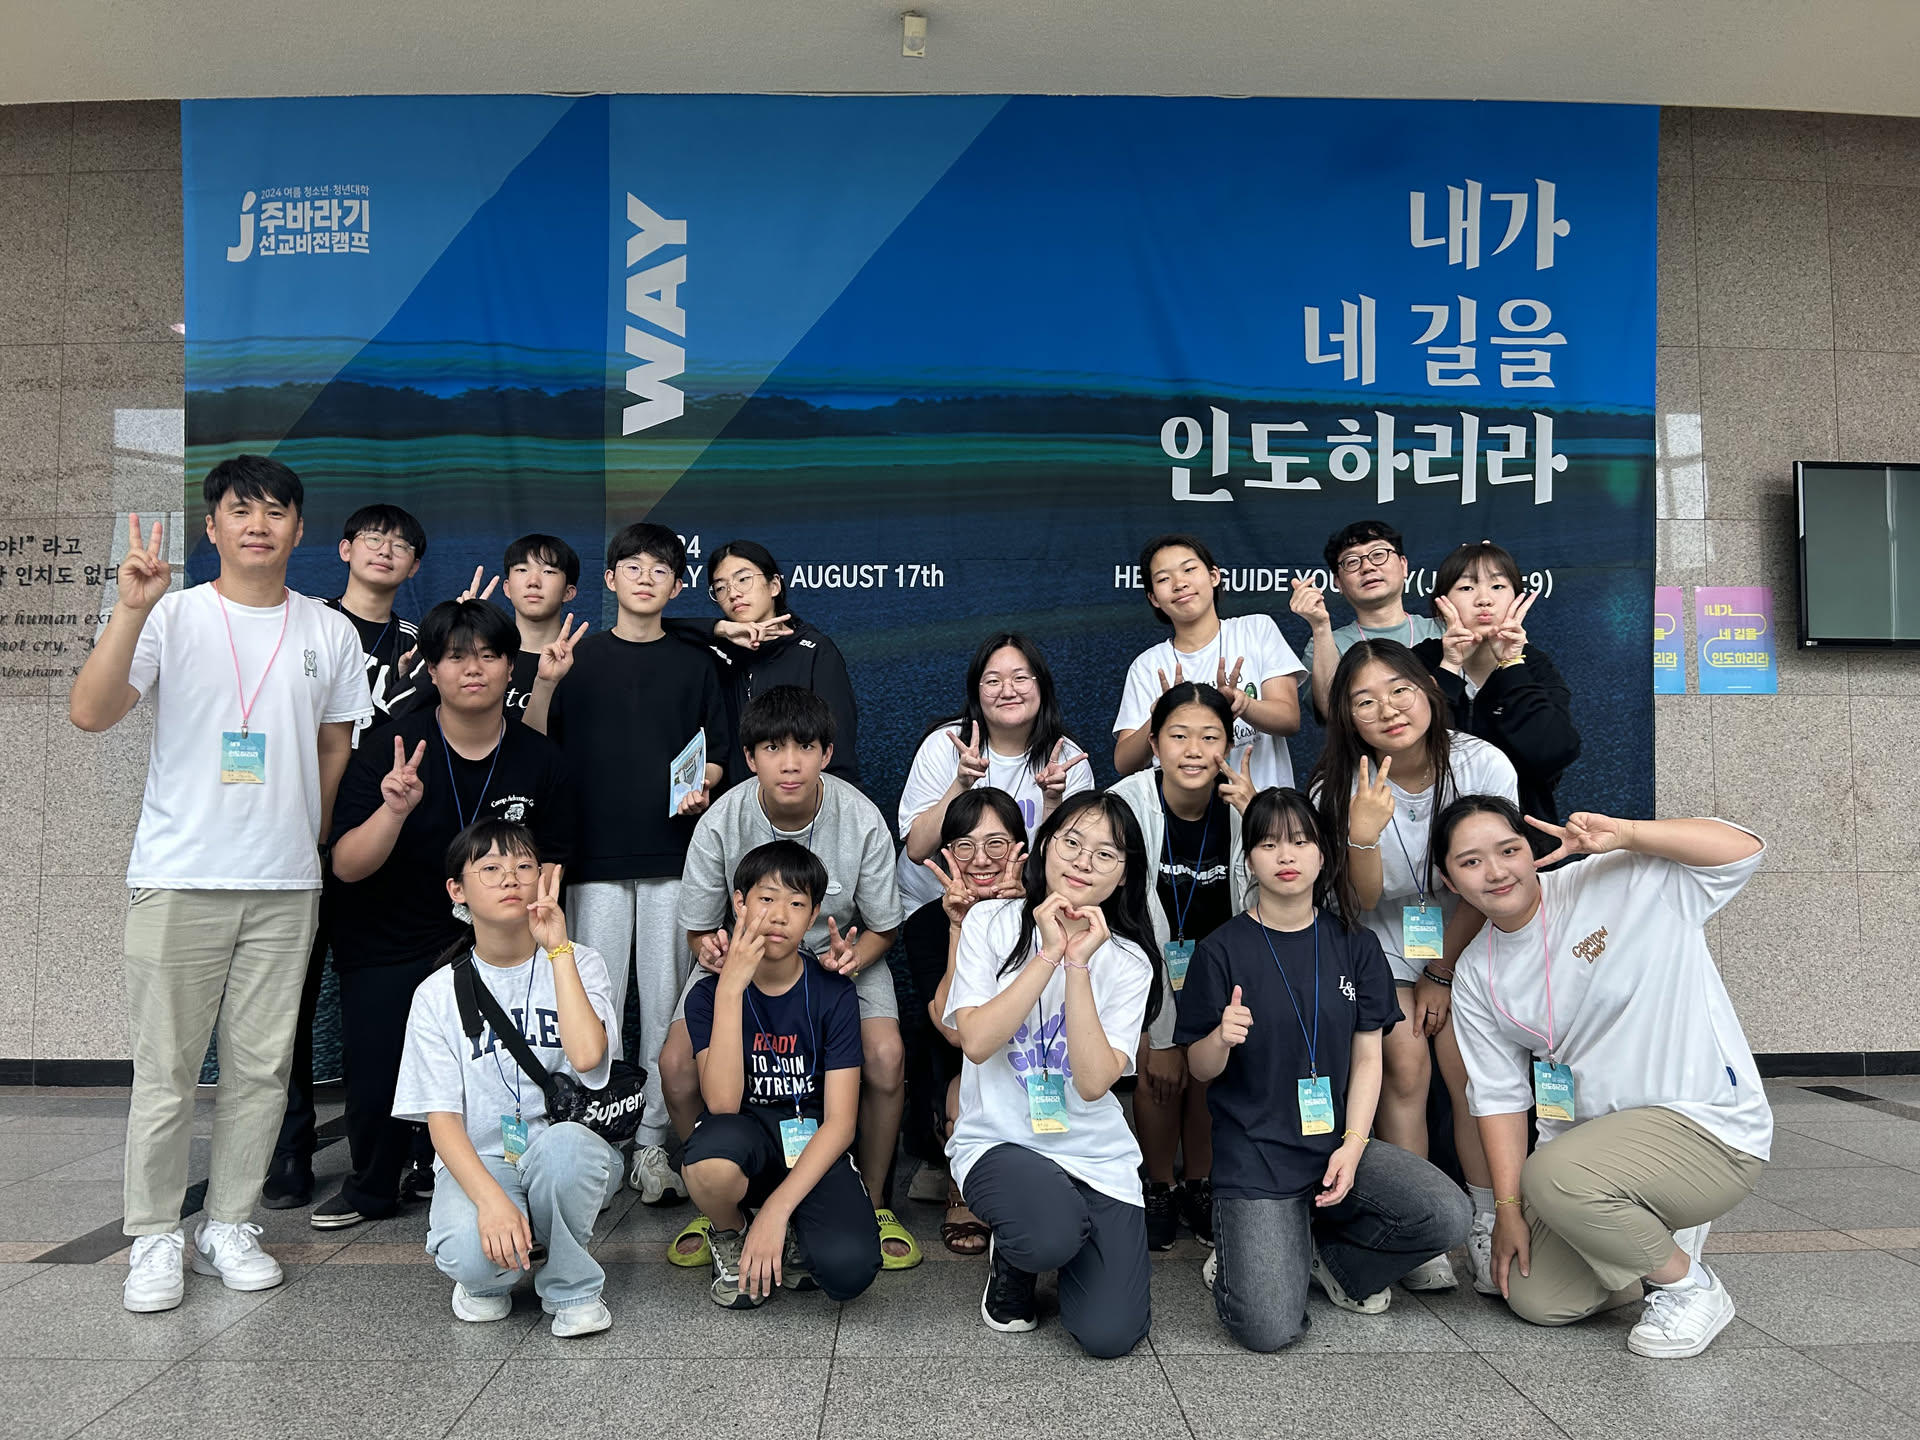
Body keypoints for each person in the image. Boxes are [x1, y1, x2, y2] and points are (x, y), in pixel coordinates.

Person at [69, 456, 371, 1314]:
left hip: (285, 885)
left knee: (262, 1071)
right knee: (166, 1071)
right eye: (241, 510)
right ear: (213, 527)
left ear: (300, 528)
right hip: (179, 875)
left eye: (276, 511)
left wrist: (307, 838)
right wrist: (130, 608)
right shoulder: (170, 615)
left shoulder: (329, 632)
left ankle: (229, 1223)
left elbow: (334, 744)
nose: (258, 524)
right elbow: (91, 711)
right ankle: (154, 1235)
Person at [1435, 798, 1771, 1359]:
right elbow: (1498, 1098)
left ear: (1531, 851)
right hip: (1590, 1154)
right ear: (1449, 882)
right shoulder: (1476, 971)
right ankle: (1649, 1238)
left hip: (1703, 1125)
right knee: (1534, 1296)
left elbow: (1744, 850)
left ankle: (1690, 1287)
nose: (1495, 872)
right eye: (1470, 862)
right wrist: (1507, 1212)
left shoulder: (1620, 879)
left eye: (1509, 850)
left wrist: (1630, 834)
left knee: (1553, 1175)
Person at [315, 598, 577, 1230]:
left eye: (488, 655)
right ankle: (375, 1183)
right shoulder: (390, 748)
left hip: (496, 940)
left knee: (498, 1066)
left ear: (511, 666)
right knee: (378, 1073)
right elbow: (346, 865)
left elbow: (552, 866)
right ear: (431, 670)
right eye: (456, 657)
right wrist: (393, 811)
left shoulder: (539, 759)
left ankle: (477, 1171)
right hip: (388, 934)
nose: (473, 669)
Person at [1178, 789, 1470, 1349]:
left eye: (1300, 841)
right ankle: (1250, 1250)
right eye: (1268, 844)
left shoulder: (1356, 946)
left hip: (1335, 1145)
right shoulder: (1220, 950)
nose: (1285, 856)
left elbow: (1368, 1058)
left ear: (1323, 855)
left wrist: (1354, 1145)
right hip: (1256, 1156)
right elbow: (1199, 1068)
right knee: (1268, 1329)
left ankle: (1329, 1261)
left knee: (1446, 1215)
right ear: (1249, 860)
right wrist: (1220, 1037)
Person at [662, 685, 915, 1269]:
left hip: (837, 957)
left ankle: (873, 1200)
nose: (791, 763)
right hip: (746, 960)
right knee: (675, 1064)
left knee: (885, 1056)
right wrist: (713, 950)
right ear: (751, 758)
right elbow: (699, 928)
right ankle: (715, 1198)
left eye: (805, 747)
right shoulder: (723, 819)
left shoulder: (860, 817)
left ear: (827, 753)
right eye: (773, 748)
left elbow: (884, 927)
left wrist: (853, 958)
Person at [529, 521, 727, 1207]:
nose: (646, 578)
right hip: (591, 860)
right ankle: (597, 1141)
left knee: (667, 1004)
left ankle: (650, 1145)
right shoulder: (573, 659)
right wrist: (546, 684)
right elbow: (534, 747)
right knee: (596, 1005)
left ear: (678, 585)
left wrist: (705, 786)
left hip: (674, 858)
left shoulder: (697, 664)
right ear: (610, 579)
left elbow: (717, 752)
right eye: (632, 567)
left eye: (660, 569)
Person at [1310, 639, 1517, 1293]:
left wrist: (1442, 972)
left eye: (1399, 690)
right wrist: (1363, 832)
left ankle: (1487, 1220)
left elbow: (1496, 882)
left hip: (1472, 940)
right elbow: (1361, 899)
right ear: (1346, 716)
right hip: (1378, 946)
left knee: (1468, 1068)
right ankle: (1420, 1226)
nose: (1388, 710)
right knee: (1403, 1058)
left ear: (1428, 688)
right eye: (1365, 701)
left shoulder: (1481, 763)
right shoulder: (1336, 787)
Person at [947, 792, 1160, 1358]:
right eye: (1072, 842)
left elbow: (1092, 1083)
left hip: (1095, 1155)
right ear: (1045, 847)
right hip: (1001, 1142)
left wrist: (1077, 963)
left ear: (1124, 874)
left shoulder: (1130, 960)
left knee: (1111, 1335)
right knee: (1048, 1233)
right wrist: (1046, 954)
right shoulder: (990, 922)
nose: (1084, 862)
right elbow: (976, 1042)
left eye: (1105, 854)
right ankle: (1018, 1257)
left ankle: (1059, 1229)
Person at [263, 501, 432, 1209]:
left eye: (401, 544)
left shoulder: (421, 644)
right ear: (343, 549)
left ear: (415, 566)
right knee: (285, 1005)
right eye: (372, 538)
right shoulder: (303, 623)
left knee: (389, 1004)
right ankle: (288, 1148)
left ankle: (410, 1147)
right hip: (298, 838)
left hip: (378, 845)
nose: (385, 550)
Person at [392, 821, 623, 1337]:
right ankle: (487, 1278)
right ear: (457, 890)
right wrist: (492, 1203)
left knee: (566, 1150)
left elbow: (588, 1057)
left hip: (566, 1151)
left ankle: (572, 1286)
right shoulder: (435, 995)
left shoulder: (580, 961)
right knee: (472, 1256)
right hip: (481, 1161)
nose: (510, 878)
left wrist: (557, 948)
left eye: (523, 866)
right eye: (491, 868)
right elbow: (442, 1120)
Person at [682, 842, 883, 1308]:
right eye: (766, 898)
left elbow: (841, 1123)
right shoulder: (707, 996)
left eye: (796, 903)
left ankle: (786, 1227)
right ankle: (732, 1233)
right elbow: (722, 1104)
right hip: (743, 1138)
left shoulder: (833, 993)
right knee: (710, 1165)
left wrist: (776, 1209)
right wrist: (731, 989)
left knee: (849, 1269)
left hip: (811, 1142)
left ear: (813, 915)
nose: (778, 915)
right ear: (739, 903)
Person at [1110, 682, 1257, 1250]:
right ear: (1153, 744)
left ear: (1228, 745)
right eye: (1178, 736)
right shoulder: (1125, 804)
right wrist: (1160, 1028)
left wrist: (1256, 817)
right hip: (1145, 966)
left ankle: (1200, 1182)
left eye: (1210, 737)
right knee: (1161, 1073)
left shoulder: (1246, 805)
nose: (1194, 750)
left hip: (1222, 970)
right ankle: (1159, 1184)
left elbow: (1274, 898)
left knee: (1210, 1077)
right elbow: (1122, 918)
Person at [902, 787, 1027, 1254]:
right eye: (965, 846)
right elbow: (955, 1031)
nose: (981, 859)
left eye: (996, 843)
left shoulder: (1045, 912)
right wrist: (961, 925)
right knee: (963, 1087)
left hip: (1033, 1050)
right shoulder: (926, 924)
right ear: (948, 854)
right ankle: (963, 1190)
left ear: (1020, 848)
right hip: (960, 1059)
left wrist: (1018, 915)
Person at [896, 632, 1092, 912]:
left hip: (1020, 900)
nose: (1008, 691)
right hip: (935, 903)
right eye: (993, 681)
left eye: (1020, 678)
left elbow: (1069, 866)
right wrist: (961, 784)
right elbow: (917, 850)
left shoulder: (1067, 760)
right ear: (976, 691)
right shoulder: (946, 744)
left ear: (1042, 685)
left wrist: (1053, 801)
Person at [1412, 540, 1580, 842]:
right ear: (1441, 603)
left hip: (1523, 841)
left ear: (1516, 597)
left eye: (1498, 586)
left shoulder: (1534, 665)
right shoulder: (1419, 661)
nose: (1484, 600)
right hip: (1434, 840)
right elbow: (1412, 751)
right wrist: (1449, 668)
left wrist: (1512, 664)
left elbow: (1553, 753)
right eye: (1466, 588)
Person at [1113, 533, 1304, 791]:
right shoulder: (1147, 665)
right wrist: (1161, 715)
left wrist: (1244, 704)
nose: (1179, 583)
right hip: (1184, 811)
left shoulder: (1256, 630)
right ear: (1154, 598)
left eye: (1189, 569)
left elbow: (1289, 720)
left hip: (1264, 807)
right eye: (1163, 579)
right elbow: (1124, 763)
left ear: (1214, 576)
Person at [666, 539, 862, 788]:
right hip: (734, 804)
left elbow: (838, 751)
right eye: (720, 587)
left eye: (743, 579)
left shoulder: (815, 651)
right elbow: (653, 629)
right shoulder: (718, 651)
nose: (733, 593)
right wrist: (720, 629)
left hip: (799, 803)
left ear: (774, 585)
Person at [1289, 520, 1444, 722]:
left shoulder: (1444, 630)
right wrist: (1320, 627)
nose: (1367, 567)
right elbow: (1332, 714)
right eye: (1352, 561)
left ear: (1403, 565)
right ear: (1338, 583)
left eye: (1378, 554)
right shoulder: (1326, 644)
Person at [499, 533, 580, 727]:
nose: (533, 581)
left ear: (568, 592)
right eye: (522, 569)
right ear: (507, 588)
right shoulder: (487, 658)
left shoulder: (587, 662)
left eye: (548, 571)